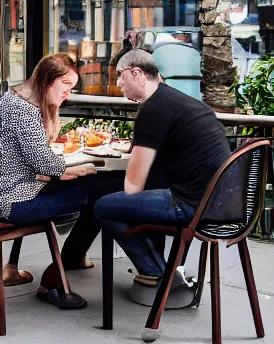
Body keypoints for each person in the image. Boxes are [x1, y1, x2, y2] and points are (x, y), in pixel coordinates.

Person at [94, 49, 232, 284]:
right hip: (218, 202)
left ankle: (156, 271)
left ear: (136, 73)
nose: (118, 83)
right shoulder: (175, 99)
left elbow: (134, 185)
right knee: (147, 185)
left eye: (119, 76)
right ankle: (165, 266)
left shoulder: (153, 108)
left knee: (102, 205)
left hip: (191, 205)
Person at [0, 53, 97, 309]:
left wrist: (63, 171)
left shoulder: (11, 99)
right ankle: (53, 284)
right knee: (97, 196)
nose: (69, 93)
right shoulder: (24, 110)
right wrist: (72, 169)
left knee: (88, 188)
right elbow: (43, 161)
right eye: (66, 85)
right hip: (15, 202)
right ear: (47, 80)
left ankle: (67, 263)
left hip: (11, 193)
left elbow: (35, 161)